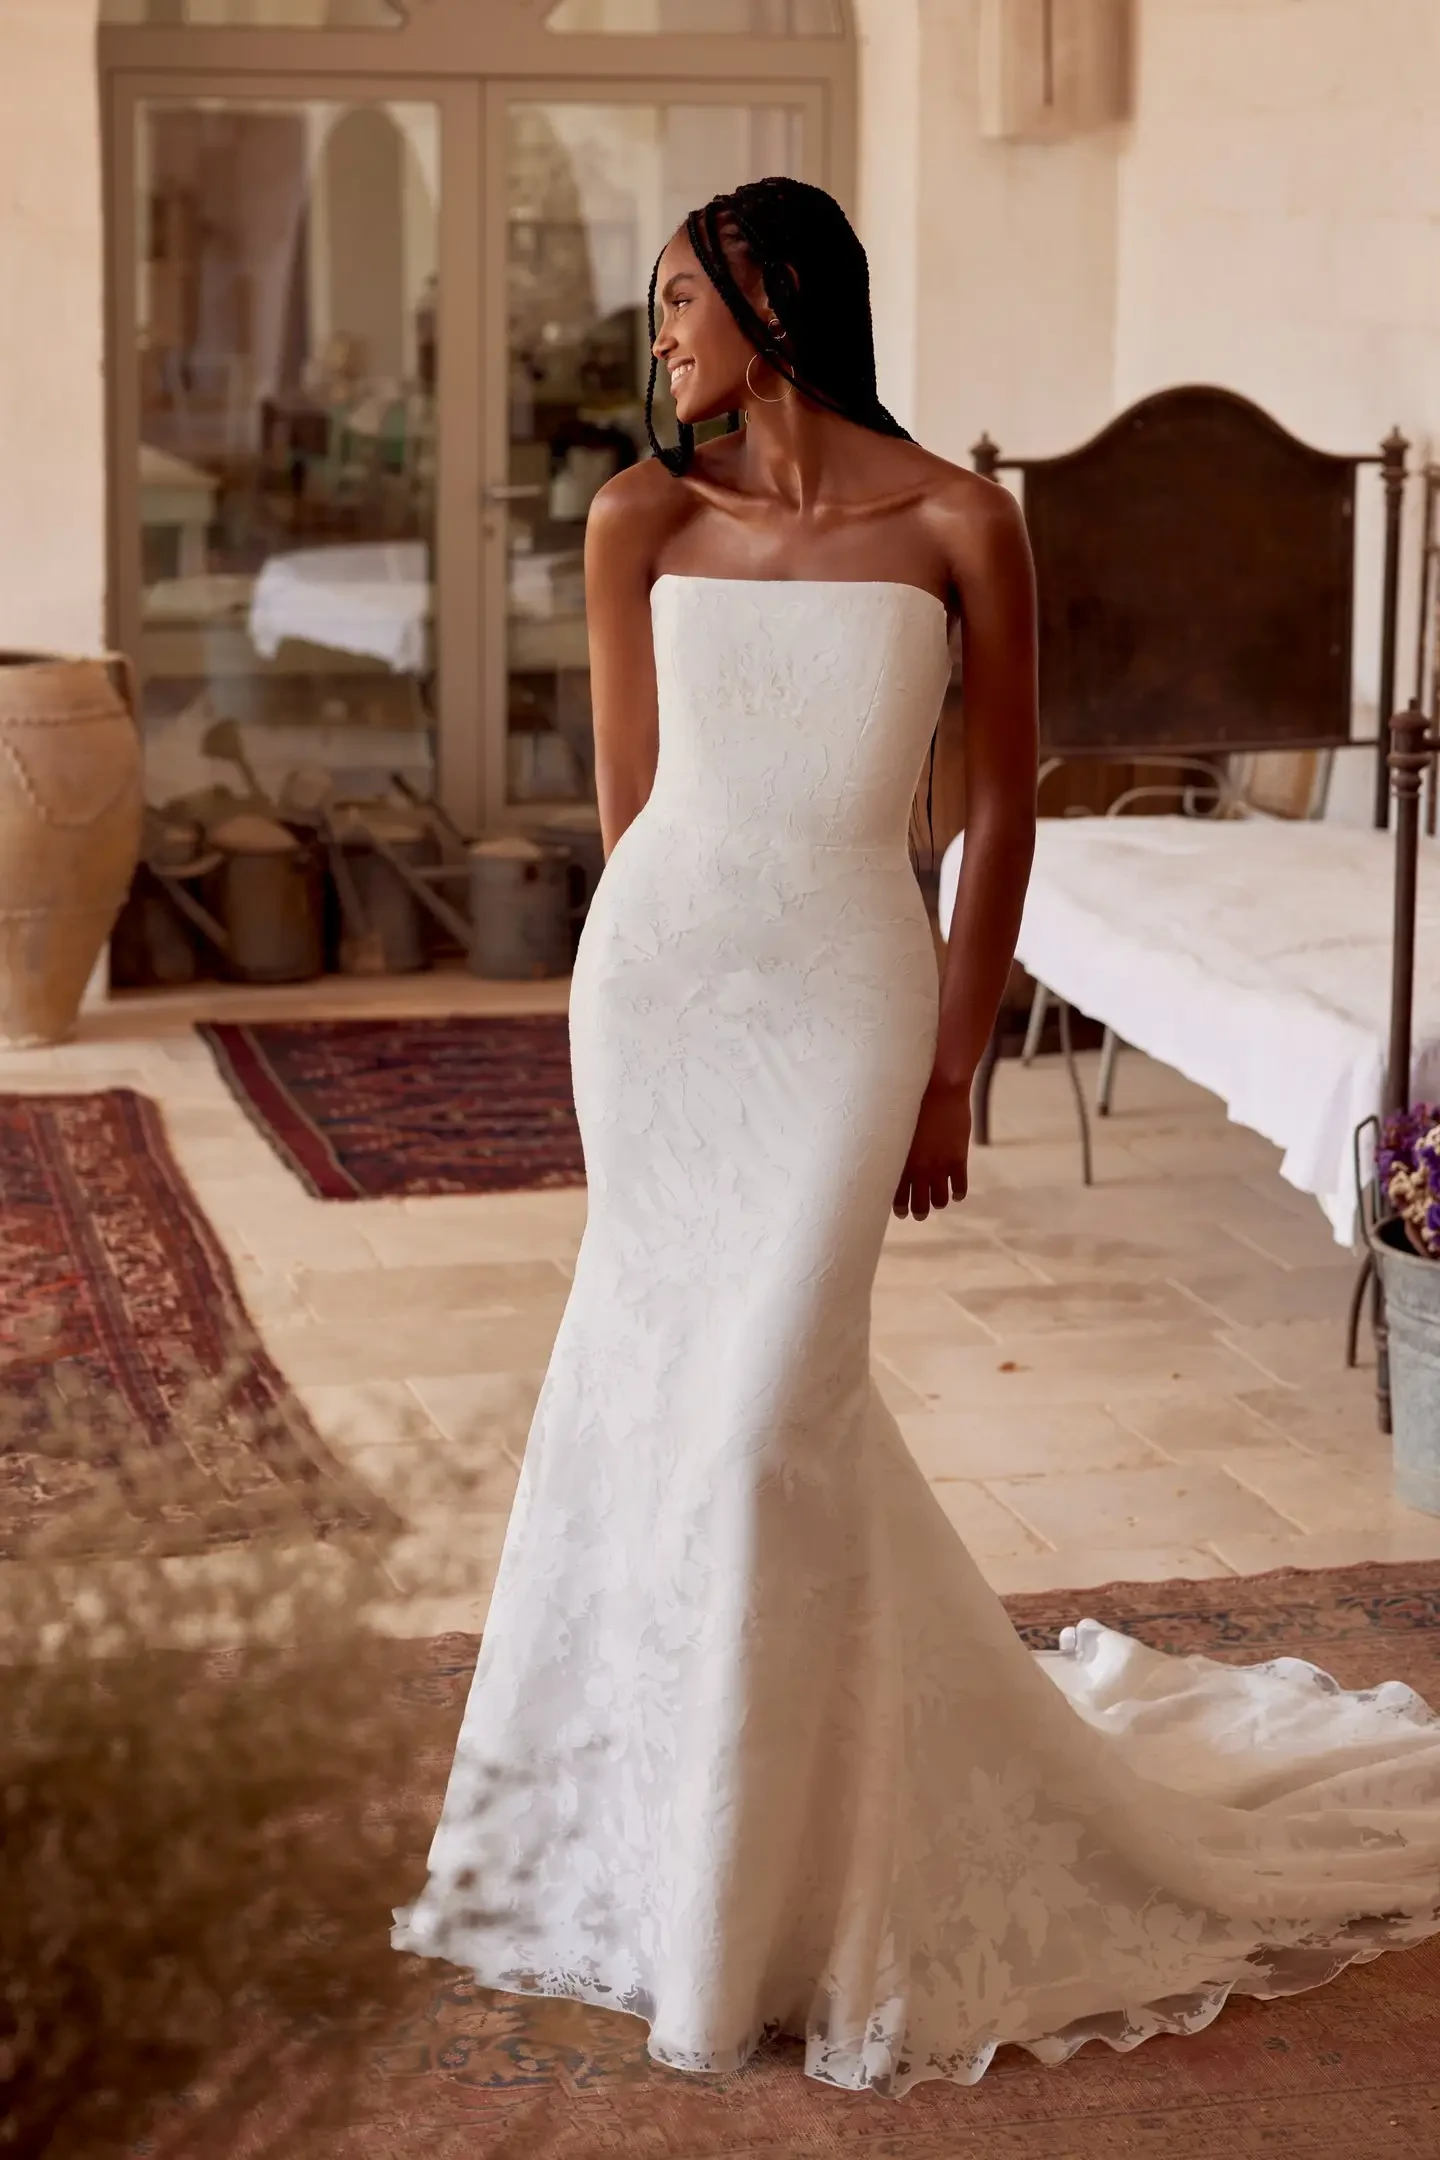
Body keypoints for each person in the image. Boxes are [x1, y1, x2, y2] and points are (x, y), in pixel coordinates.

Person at [395, 177, 1440, 2097]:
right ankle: (677, 1855)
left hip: (848, 989)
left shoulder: (965, 522)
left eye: (683, 302)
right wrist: (632, 1015)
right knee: (665, 1401)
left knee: (770, 1405)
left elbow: (1003, 813)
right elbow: (635, 826)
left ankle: (795, 1861)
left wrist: (954, 1062)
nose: (664, 340)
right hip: (666, 1002)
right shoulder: (642, 517)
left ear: (776, 302)